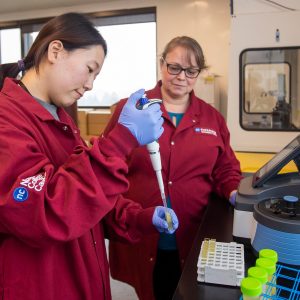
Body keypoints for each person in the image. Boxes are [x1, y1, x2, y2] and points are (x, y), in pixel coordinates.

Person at [0, 13, 179, 300]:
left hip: (83, 281)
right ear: (55, 51)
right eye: (90, 69)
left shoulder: (60, 119)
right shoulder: (7, 120)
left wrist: (139, 218)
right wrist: (120, 141)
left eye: (97, 76)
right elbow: (46, 211)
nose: (91, 85)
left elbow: (85, 202)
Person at [104, 36, 242, 300]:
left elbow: (225, 170)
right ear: (161, 65)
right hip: (142, 231)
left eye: (191, 71)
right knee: (151, 291)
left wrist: (235, 192)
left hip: (194, 235)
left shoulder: (212, 118)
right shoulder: (132, 109)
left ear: (199, 73)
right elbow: (108, 164)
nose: (182, 77)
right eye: (174, 67)